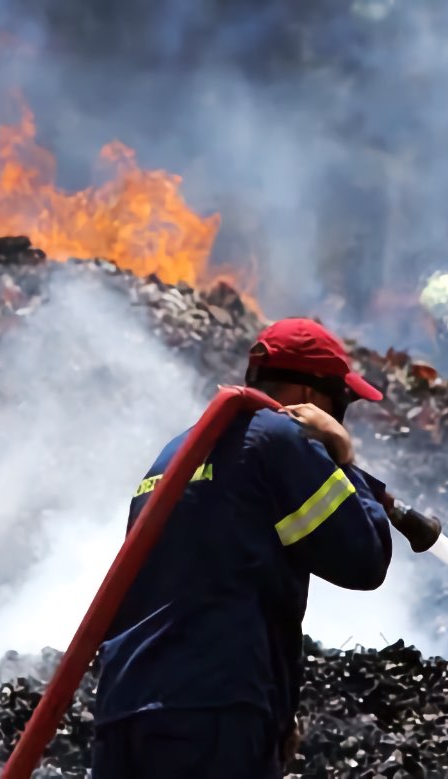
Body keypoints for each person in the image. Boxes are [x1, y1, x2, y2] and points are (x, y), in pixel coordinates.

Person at [91, 317, 399, 778]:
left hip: (124, 710)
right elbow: (364, 560)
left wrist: (276, 714)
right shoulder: (280, 439)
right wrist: (343, 457)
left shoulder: (176, 453)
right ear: (312, 396)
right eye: (342, 404)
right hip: (213, 711)